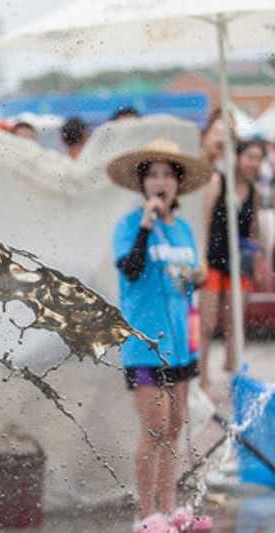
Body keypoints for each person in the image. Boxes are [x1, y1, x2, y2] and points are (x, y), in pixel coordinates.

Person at [108, 139, 213, 533]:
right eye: (153, 174)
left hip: (180, 342)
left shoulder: (183, 228)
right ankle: (145, 515)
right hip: (145, 344)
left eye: (168, 174)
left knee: (174, 428)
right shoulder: (130, 225)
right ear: (142, 183)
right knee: (153, 429)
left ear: (178, 183)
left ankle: (170, 510)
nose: (160, 181)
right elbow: (132, 270)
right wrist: (147, 224)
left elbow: (191, 274)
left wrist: (198, 277)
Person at [199, 140, 264, 395]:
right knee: (207, 323)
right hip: (214, 260)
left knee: (234, 322)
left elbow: (253, 229)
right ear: (238, 157)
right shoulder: (218, 182)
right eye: (250, 157)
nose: (254, 163)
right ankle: (203, 377)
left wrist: (256, 260)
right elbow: (204, 222)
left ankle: (233, 371)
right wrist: (203, 260)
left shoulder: (253, 191)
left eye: (259, 158)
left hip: (241, 263)